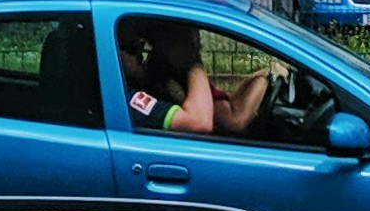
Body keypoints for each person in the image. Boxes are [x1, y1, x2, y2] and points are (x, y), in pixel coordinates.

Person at [115, 15, 278, 137]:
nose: (139, 56)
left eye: (141, 47)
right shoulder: (127, 96)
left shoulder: (165, 77)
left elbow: (228, 99)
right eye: (131, 50)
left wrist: (263, 76)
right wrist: (192, 60)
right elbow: (210, 123)